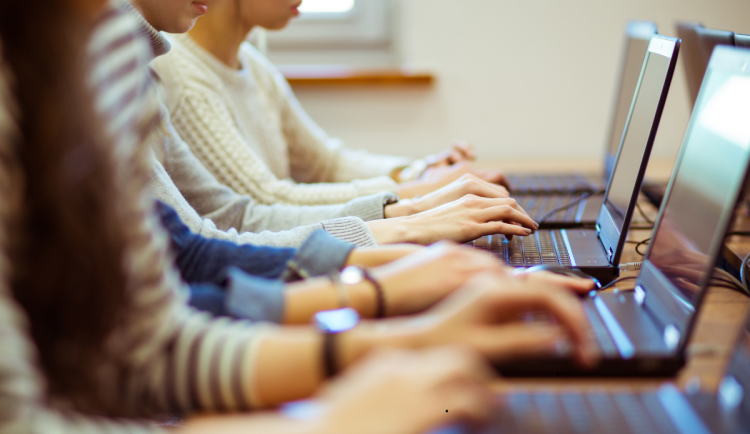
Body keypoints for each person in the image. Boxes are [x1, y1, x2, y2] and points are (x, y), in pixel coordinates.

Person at [0, 2, 599, 433]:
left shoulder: (106, 43)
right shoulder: (147, 59)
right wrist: (396, 240)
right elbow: (226, 227)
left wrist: (393, 327)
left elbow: (149, 341)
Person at [122, 0, 533, 251]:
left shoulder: (249, 67)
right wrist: (412, 204)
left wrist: (416, 181)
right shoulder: (172, 76)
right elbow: (256, 206)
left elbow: (325, 163)